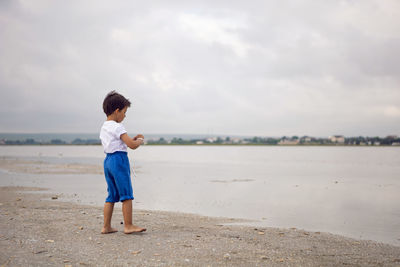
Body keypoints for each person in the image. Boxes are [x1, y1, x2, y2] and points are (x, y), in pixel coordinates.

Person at [99, 91, 146, 234]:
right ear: (117, 110)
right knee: (126, 193)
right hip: (119, 160)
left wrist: (131, 139)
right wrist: (139, 140)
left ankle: (106, 227)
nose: (125, 116)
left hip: (108, 161)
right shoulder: (118, 126)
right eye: (125, 112)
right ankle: (128, 225)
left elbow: (118, 142)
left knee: (111, 195)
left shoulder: (104, 126)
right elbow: (131, 145)